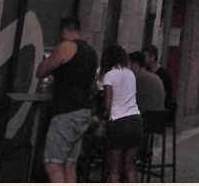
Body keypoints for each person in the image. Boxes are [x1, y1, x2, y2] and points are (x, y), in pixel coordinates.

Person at [37, 16, 98, 183]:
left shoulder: (66, 47)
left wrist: (49, 64)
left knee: (52, 163)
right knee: (69, 164)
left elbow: (41, 71)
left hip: (66, 112)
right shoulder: (92, 53)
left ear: (64, 31)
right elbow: (91, 83)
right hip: (83, 113)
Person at [100, 44, 142, 183]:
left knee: (114, 169)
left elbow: (107, 104)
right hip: (135, 121)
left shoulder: (109, 75)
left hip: (118, 122)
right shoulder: (131, 74)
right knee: (130, 168)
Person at [141, 45, 173, 110]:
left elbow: (167, 96)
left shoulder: (164, 75)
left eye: (144, 57)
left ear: (152, 57)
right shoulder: (144, 71)